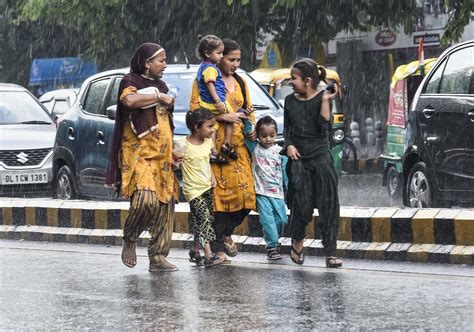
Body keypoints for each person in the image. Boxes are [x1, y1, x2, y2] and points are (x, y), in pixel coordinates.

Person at [105, 42, 179, 272]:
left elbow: (164, 120)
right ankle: (130, 238)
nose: (165, 65)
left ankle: (158, 256)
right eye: (161, 60)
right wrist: (159, 97)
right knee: (145, 199)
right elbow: (129, 101)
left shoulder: (162, 84)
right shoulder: (131, 81)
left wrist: (175, 148)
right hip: (139, 154)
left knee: (165, 206)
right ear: (147, 63)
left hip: (162, 155)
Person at [190, 38, 256, 263]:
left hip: (237, 150)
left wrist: (252, 128)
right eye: (231, 59)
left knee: (247, 199)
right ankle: (217, 250)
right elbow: (194, 115)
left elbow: (248, 110)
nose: (235, 64)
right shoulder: (204, 80)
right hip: (213, 148)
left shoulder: (240, 81)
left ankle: (226, 234)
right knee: (217, 202)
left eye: (238, 60)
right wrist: (222, 116)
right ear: (217, 57)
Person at [282, 58, 343, 268]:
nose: (290, 82)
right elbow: (287, 130)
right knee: (301, 205)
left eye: (294, 78)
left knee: (328, 206)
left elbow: (325, 127)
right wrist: (288, 145)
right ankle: (297, 241)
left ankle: (330, 252)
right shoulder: (289, 101)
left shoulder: (323, 98)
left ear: (307, 81)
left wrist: (326, 100)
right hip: (298, 160)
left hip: (321, 158)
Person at [180, 108, 222, 267]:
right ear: (197, 127)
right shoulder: (183, 144)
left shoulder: (208, 142)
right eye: (209, 127)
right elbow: (175, 162)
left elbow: (207, 162)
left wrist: (212, 177)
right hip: (193, 191)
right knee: (204, 219)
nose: (213, 130)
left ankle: (195, 250)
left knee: (203, 220)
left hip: (206, 187)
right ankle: (208, 254)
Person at [246, 115, 288, 260]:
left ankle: (274, 242)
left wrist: (289, 189)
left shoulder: (280, 152)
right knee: (267, 220)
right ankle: (272, 246)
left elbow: (285, 172)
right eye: (264, 136)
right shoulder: (255, 148)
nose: (268, 139)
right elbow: (246, 133)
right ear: (258, 136)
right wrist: (247, 119)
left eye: (271, 135)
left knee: (282, 220)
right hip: (261, 192)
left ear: (276, 134)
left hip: (278, 193)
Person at [195, 35, 239, 164]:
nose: (220, 56)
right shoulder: (210, 69)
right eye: (219, 53)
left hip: (208, 104)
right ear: (208, 53)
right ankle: (227, 143)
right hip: (215, 103)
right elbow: (210, 84)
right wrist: (218, 102)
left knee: (212, 126)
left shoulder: (240, 81)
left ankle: (214, 152)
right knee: (232, 117)